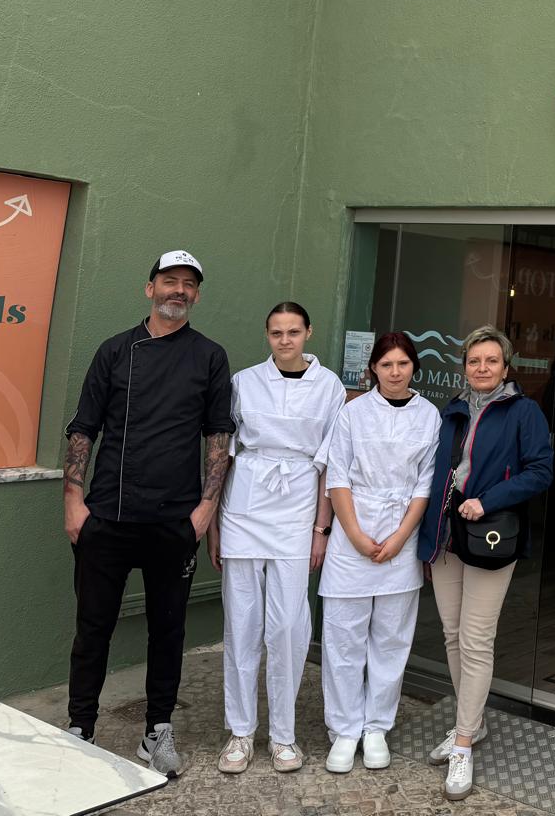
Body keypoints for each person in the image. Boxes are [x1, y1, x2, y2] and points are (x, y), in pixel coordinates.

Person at [61, 250, 233, 777]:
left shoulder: (209, 356)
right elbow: (83, 428)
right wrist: (73, 501)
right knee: (93, 629)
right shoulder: (115, 350)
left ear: (196, 295)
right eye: (169, 281)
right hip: (107, 516)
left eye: (188, 284)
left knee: (168, 631)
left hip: (174, 521)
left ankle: (157, 730)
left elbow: (218, 436)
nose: (178, 290)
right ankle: (80, 727)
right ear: (150, 288)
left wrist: (205, 510)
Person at [417, 325, 554, 801]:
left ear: (505, 366)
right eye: (474, 361)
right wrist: (425, 535)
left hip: (489, 533)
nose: (482, 368)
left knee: (476, 639)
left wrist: (487, 500)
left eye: (491, 360)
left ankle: (463, 744)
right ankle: (470, 724)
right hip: (446, 535)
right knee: (452, 634)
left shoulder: (523, 411)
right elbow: (436, 473)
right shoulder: (452, 409)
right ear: (464, 367)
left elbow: (541, 471)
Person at [207, 302, 344, 774]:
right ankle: (241, 732)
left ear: (309, 332)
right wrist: (215, 522)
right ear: (267, 335)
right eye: (276, 332)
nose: (285, 340)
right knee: (242, 621)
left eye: (293, 332)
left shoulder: (329, 386)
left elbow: (330, 464)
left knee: (288, 626)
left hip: (298, 507)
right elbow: (223, 453)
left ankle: (284, 735)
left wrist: (321, 529)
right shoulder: (244, 382)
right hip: (244, 506)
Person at [317, 331, 441, 774]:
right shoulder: (352, 413)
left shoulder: (429, 416)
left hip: (401, 538)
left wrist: (401, 537)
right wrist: (353, 534)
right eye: (386, 364)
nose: (394, 372)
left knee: (391, 640)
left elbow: (425, 485)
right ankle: (344, 728)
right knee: (343, 640)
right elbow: (338, 476)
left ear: (414, 368)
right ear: (373, 368)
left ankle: (375, 728)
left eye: (403, 364)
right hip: (352, 535)